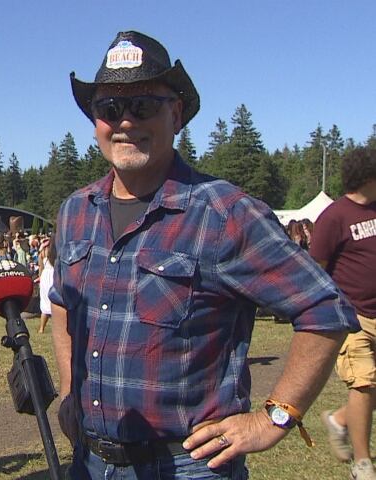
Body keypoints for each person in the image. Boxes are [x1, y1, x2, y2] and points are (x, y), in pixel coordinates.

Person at [50, 31, 359, 479]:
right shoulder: (76, 211)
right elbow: (63, 303)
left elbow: (324, 310)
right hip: (91, 462)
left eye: (143, 105)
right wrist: (67, 391)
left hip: (189, 464)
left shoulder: (225, 213)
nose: (125, 122)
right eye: (109, 109)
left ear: (176, 114)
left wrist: (274, 417)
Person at [310, 147, 376, 479]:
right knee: (364, 384)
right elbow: (316, 271)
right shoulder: (334, 217)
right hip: (353, 318)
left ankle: (338, 420)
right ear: (368, 176)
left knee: (373, 390)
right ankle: (363, 465)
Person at [37, 237, 56, 334]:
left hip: (45, 276)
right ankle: (43, 328)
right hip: (52, 275)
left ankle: (41, 328)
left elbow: (40, 266)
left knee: (45, 301)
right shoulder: (54, 251)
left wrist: (40, 278)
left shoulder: (42, 252)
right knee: (52, 300)